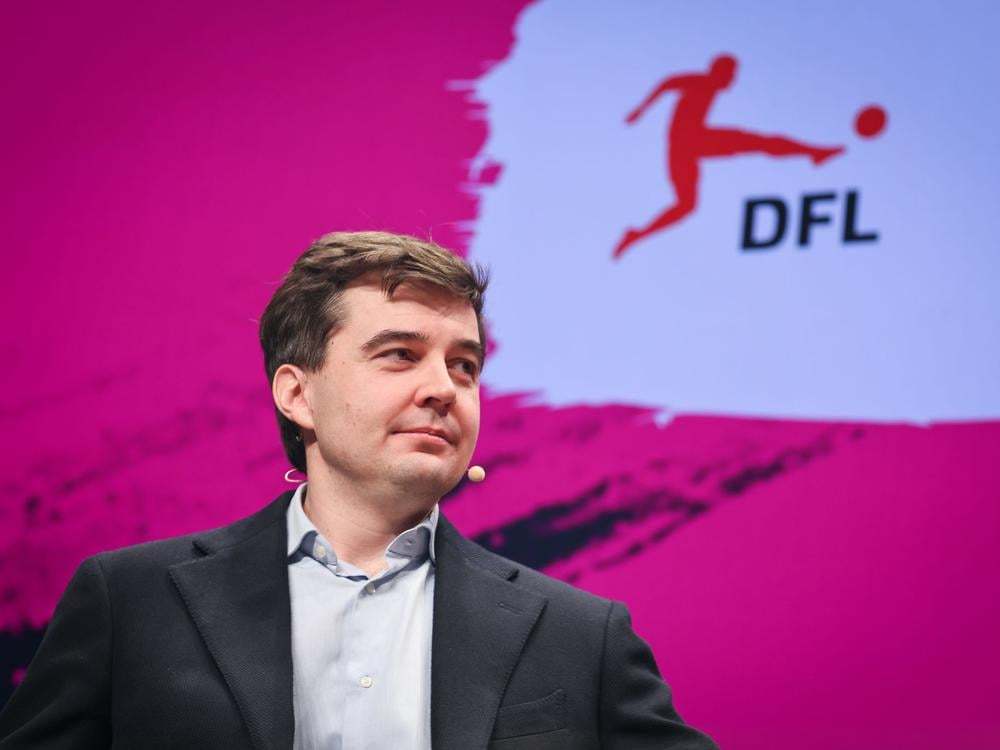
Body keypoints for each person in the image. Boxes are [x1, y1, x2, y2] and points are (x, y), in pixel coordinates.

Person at [0, 231, 718, 749]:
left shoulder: (580, 634)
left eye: (465, 366)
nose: (444, 389)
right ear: (298, 395)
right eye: (400, 355)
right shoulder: (130, 600)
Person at [614, 53, 844, 258]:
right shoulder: (701, 81)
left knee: (687, 205)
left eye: (733, 75)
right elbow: (667, 83)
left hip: (685, 147)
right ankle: (814, 152)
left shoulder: (708, 86)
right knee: (760, 143)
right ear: (719, 71)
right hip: (693, 140)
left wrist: (642, 110)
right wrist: (641, 109)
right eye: (730, 74)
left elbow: (668, 84)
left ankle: (637, 235)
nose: (732, 80)